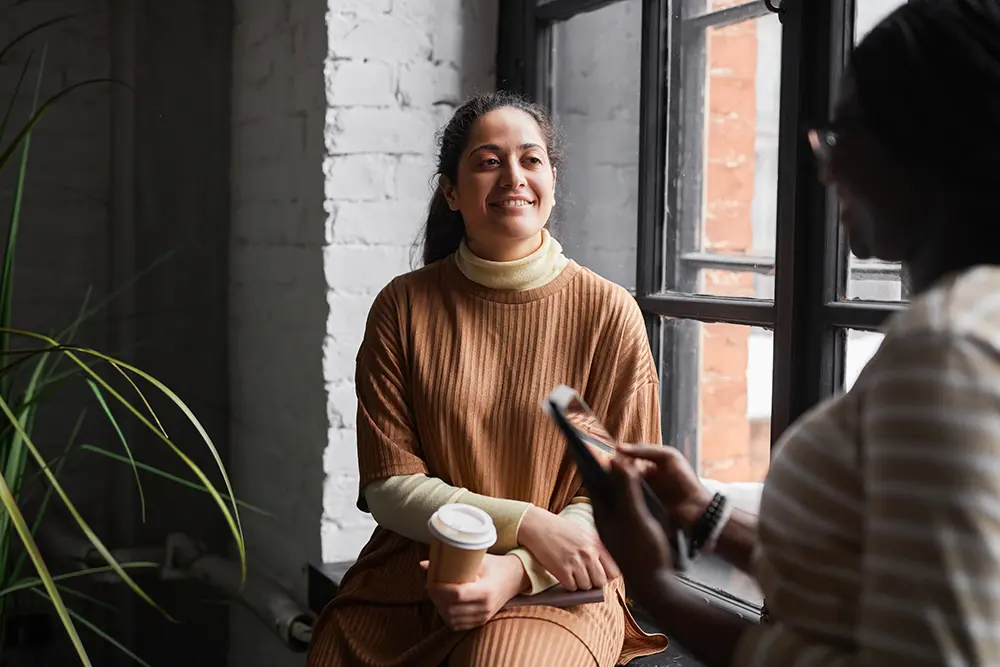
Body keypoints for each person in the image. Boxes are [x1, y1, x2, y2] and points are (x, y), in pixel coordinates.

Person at [591, 0, 1000, 665]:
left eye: (839, 132)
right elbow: (870, 582)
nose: (824, 166)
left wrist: (656, 587)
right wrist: (703, 510)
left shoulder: (945, 349)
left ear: (923, 133)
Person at [306, 91, 668, 666]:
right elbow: (389, 484)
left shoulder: (605, 314)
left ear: (551, 178)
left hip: (560, 585)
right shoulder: (404, 308)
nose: (514, 177)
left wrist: (517, 567)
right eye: (488, 161)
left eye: (531, 159)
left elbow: (611, 490)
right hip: (417, 572)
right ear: (451, 191)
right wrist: (527, 523)